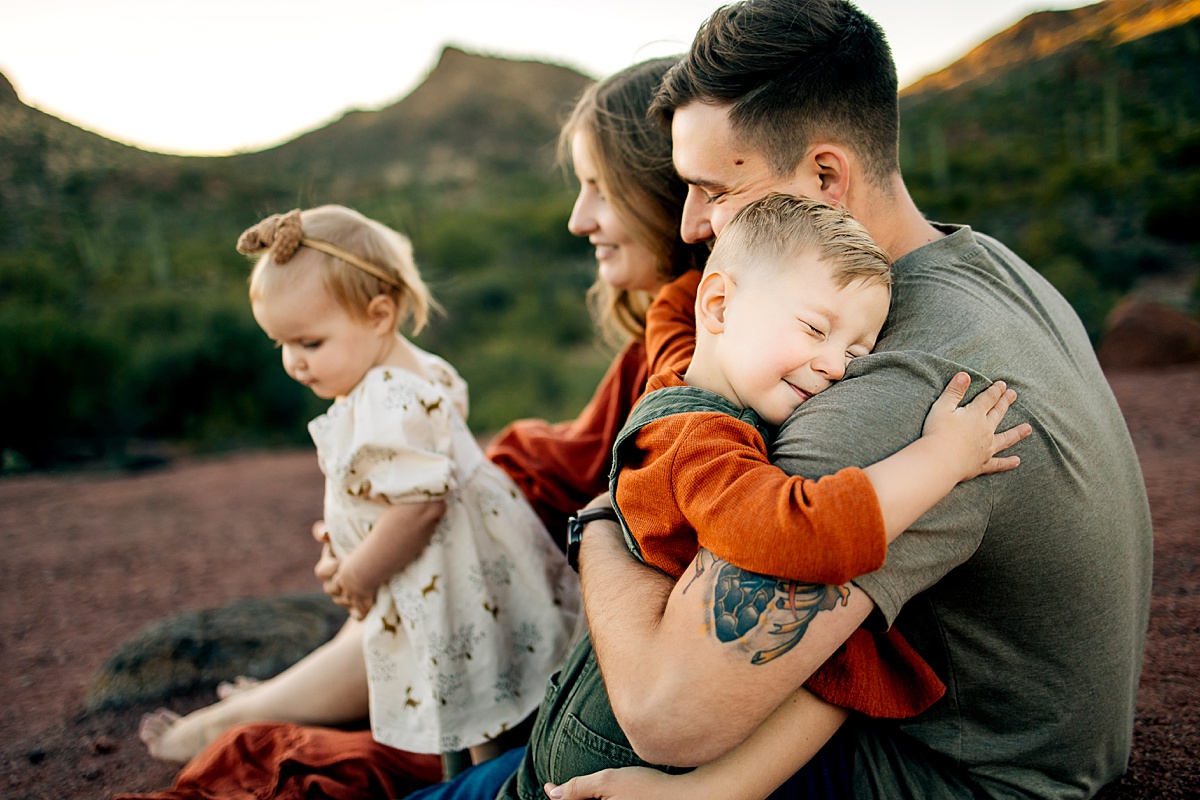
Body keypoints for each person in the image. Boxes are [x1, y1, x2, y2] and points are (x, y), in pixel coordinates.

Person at [536, 1, 1152, 798]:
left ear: (825, 178)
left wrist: (597, 528)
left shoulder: (886, 387)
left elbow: (668, 714)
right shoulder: (984, 264)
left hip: (958, 777)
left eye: (713, 189)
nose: (692, 224)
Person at [120, 56, 702, 800]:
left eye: (600, 189)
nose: (577, 218)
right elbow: (570, 453)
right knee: (415, 570)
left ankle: (262, 712)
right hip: (521, 512)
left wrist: (373, 549)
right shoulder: (657, 332)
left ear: (668, 192)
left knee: (430, 601)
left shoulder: (688, 338)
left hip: (541, 565)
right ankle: (268, 704)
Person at [137, 205, 582, 771]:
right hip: (456, 569)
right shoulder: (403, 372)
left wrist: (358, 573)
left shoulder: (387, 398)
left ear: (379, 314)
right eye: (282, 345)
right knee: (482, 691)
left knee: (472, 702)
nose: (294, 363)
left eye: (310, 343)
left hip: (443, 584)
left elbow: (420, 508)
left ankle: (485, 782)